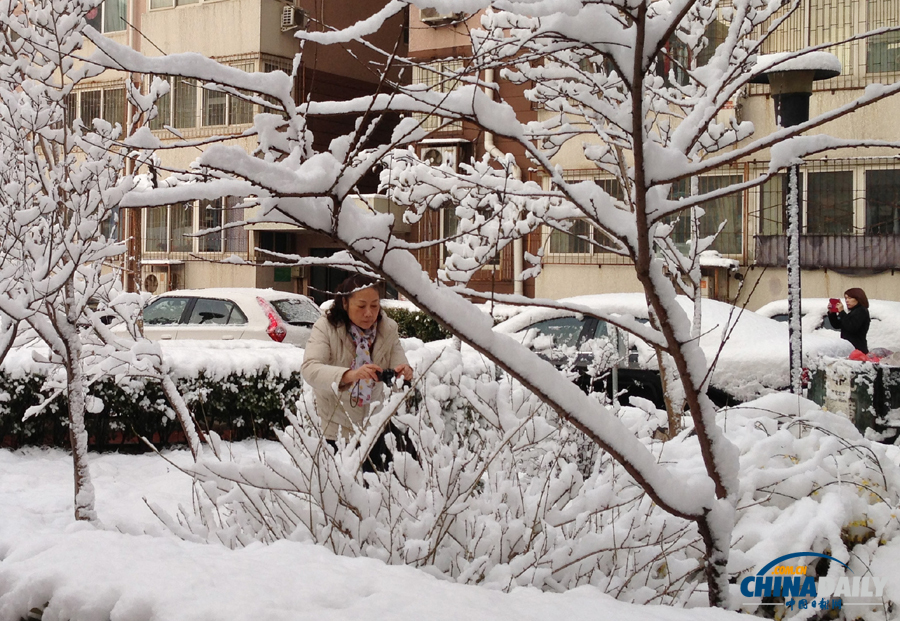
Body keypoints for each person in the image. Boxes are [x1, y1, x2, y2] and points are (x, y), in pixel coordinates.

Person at [301, 273, 414, 470]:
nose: (369, 313)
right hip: (336, 432)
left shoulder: (387, 329)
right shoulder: (326, 327)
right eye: (361, 306)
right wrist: (349, 375)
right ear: (345, 303)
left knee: (377, 495)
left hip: (374, 429)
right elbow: (310, 369)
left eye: (375, 305)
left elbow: (400, 364)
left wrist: (404, 372)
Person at [827, 287, 871, 354]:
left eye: (850, 298)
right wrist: (832, 313)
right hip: (849, 348)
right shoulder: (853, 312)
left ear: (858, 298)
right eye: (846, 298)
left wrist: (842, 312)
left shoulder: (861, 311)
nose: (847, 301)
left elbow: (851, 327)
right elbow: (837, 325)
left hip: (857, 349)